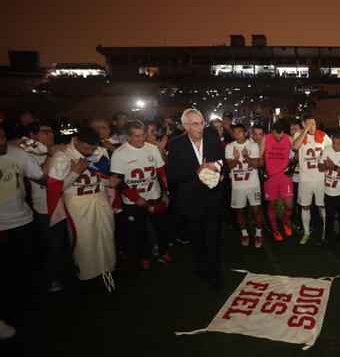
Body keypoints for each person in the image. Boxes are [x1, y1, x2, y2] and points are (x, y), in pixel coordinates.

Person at [47, 127, 116, 291]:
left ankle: (108, 268)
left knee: (106, 234)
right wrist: (74, 173)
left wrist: (108, 181)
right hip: (77, 202)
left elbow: (102, 179)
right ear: (76, 141)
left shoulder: (100, 152)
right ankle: (87, 275)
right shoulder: (62, 156)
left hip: (99, 198)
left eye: (93, 148)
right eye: (86, 148)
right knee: (84, 240)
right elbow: (57, 188)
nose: (90, 151)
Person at [166, 109, 226, 288]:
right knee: (198, 239)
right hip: (190, 201)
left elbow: (223, 163)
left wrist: (219, 172)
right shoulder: (176, 145)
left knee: (212, 238)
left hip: (213, 198)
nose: (200, 127)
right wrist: (196, 171)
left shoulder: (212, 138)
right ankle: (201, 265)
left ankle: (215, 275)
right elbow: (173, 175)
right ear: (185, 127)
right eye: (195, 124)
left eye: (201, 123)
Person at [110, 120, 172, 274]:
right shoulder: (119, 154)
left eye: (143, 135)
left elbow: (161, 173)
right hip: (133, 202)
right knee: (137, 232)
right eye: (136, 136)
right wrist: (135, 198)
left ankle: (163, 252)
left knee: (162, 227)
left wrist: (165, 192)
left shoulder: (152, 149)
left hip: (155, 195)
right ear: (127, 137)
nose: (141, 139)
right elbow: (117, 181)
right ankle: (143, 257)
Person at [0, 124, 44, 339]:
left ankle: (24, 303)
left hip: (22, 219)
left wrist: (54, 156)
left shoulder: (18, 153)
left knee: (25, 265)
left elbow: (39, 174)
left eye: (2, 136)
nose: (1, 142)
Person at [22, 122, 69, 292]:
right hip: (45, 208)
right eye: (45, 132)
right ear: (33, 135)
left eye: (51, 131)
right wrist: (51, 155)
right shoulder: (27, 155)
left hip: (67, 203)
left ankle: (70, 272)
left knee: (67, 242)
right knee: (53, 245)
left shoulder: (59, 149)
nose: (50, 134)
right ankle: (54, 278)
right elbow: (42, 178)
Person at [292, 116, 332, 244]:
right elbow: (294, 147)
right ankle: (306, 232)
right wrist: (305, 130)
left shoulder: (323, 135)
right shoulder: (299, 134)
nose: (311, 126)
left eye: (313, 123)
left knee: (323, 206)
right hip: (305, 178)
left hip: (320, 178)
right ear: (303, 124)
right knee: (305, 206)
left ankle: (326, 233)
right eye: (308, 123)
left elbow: (333, 149)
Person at [225, 124, 264, 248]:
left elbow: (257, 165)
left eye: (240, 132)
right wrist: (236, 159)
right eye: (235, 132)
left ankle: (258, 234)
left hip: (253, 184)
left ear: (245, 133)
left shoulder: (253, 145)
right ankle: (244, 234)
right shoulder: (229, 147)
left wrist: (246, 156)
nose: (237, 135)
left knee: (256, 211)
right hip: (238, 186)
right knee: (240, 212)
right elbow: (228, 167)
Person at [259, 120, 294, 241]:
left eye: (280, 135)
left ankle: (285, 223)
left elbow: (297, 150)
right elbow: (260, 154)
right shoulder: (266, 138)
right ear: (272, 131)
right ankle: (275, 229)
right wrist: (261, 169)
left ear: (284, 132)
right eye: (276, 135)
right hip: (270, 177)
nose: (278, 138)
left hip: (285, 176)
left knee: (289, 205)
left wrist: (293, 164)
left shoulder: (289, 138)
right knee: (272, 204)